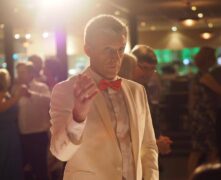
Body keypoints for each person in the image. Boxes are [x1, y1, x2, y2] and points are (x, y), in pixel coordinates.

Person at [49, 15, 159, 180]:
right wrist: (78, 116)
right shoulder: (66, 90)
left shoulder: (137, 91)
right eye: (107, 49)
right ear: (88, 50)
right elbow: (61, 153)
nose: (115, 58)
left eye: (120, 49)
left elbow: (148, 146)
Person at [188, 46, 221, 174]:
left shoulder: (200, 75)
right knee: (206, 150)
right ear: (208, 59)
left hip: (200, 116)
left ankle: (202, 176)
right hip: (203, 117)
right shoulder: (205, 76)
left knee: (202, 150)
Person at [131, 45, 173, 155]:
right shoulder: (126, 90)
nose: (148, 73)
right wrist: (155, 144)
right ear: (132, 65)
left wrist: (158, 138)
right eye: (144, 67)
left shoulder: (145, 88)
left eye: (152, 69)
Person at [14, 61, 51, 180]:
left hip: (38, 135)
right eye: (18, 72)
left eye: (22, 72)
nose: (19, 75)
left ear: (31, 73)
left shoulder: (41, 87)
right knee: (24, 172)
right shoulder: (15, 89)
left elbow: (49, 102)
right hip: (21, 136)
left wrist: (30, 94)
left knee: (41, 171)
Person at [0, 69, 28, 180]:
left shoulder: (7, 93)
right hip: (3, 134)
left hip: (12, 132)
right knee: (5, 161)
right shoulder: (4, 94)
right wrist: (17, 96)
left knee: (12, 161)